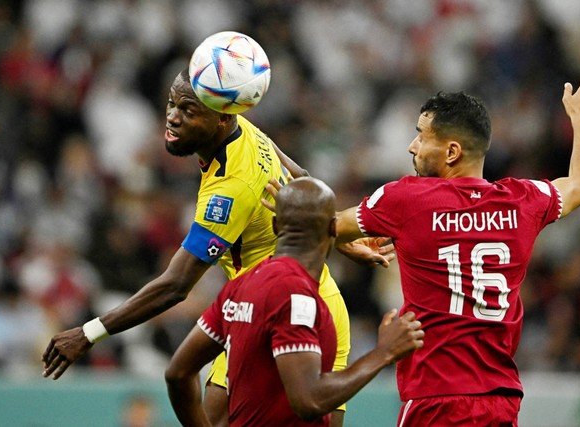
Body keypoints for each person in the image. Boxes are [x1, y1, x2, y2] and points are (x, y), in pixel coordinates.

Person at [41, 67, 393, 426]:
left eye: (189, 111)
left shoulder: (228, 192)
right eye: (171, 103)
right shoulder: (244, 129)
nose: (173, 117)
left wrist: (89, 333)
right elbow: (301, 179)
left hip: (304, 307)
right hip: (255, 302)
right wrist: (334, 233)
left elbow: (176, 285)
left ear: (221, 120)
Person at [265, 74, 580, 425]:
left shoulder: (406, 199)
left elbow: (319, 225)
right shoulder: (522, 201)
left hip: (435, 399)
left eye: (421, 135)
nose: (412, 146)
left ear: (451, 152)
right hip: (500, 402)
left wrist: (333, 235)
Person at [164, 176, 425, 426]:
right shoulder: (297, 296)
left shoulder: (240, 285)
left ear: (276, 225)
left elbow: (177, 373)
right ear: (334, 229)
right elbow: (308, 401)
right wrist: (382, 354)